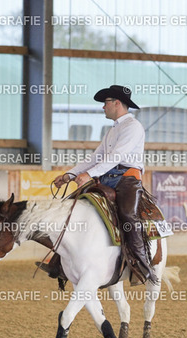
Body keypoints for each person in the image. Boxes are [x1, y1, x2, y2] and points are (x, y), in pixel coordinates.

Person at [43, 85, 158, 285]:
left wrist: (90, 174)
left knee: (128, 215)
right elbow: (95, 157)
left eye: (106, 103)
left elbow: (116, 157)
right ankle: (59, 262)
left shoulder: (133, 127)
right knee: (71, 205)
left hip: (127, 179)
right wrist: (70, 175)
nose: (103, 107)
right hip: (107, 177)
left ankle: (140, 265)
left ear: (117, 103)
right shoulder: (112, 130)